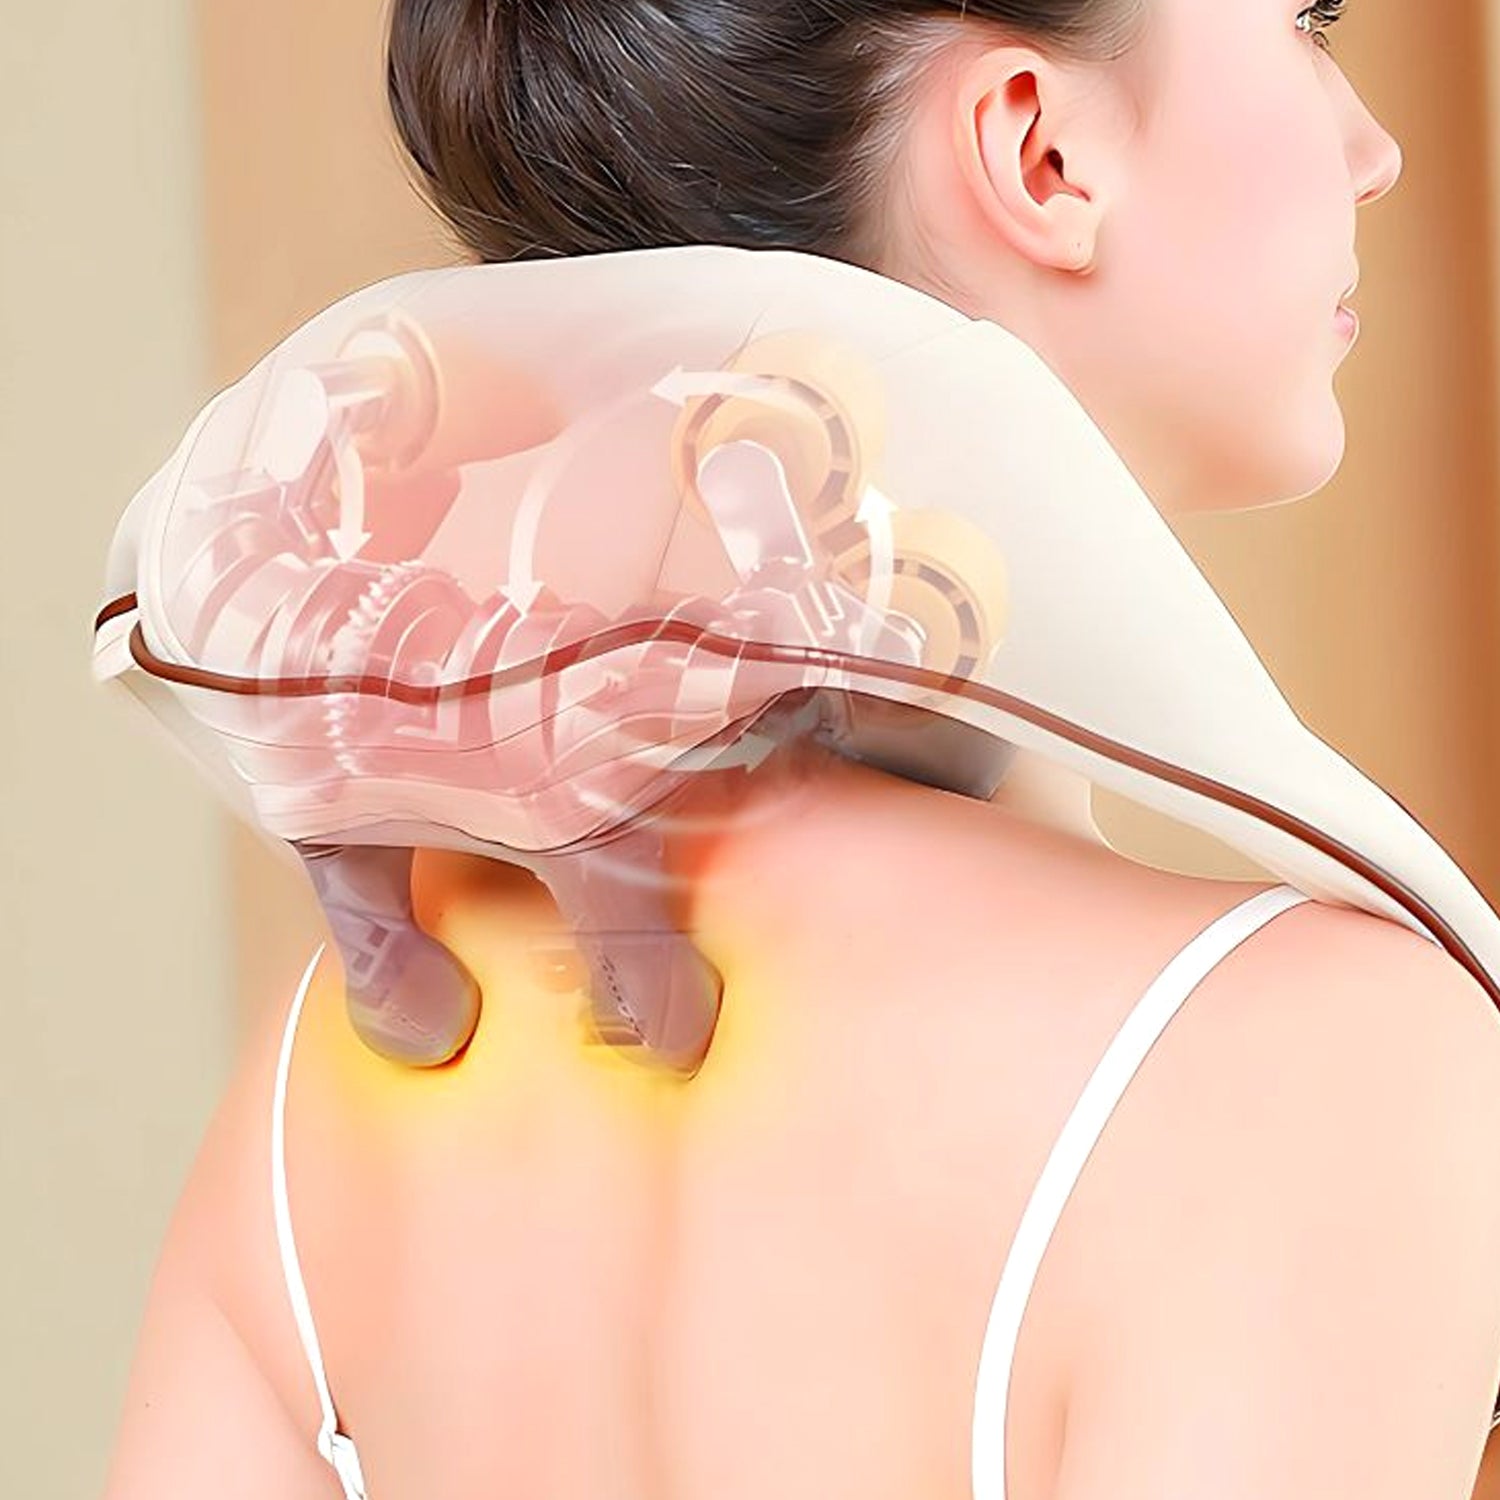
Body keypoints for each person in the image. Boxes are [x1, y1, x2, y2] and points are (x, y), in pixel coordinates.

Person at [101, 2, 1500, 1498]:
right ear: (1040, 150)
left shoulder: (325, 1088)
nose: (1374, 151)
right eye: (1308, 21)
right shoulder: (1319, 1070)